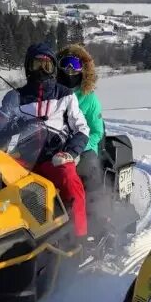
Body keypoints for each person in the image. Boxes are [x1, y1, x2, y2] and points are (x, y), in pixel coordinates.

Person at [0, 43, 91, 238]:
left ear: (54, 69)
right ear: (27, 67)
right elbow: (1, 117)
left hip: (55, 157)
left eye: (47, 66)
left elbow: (82, 129)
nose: (41, 71)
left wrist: (70, 153)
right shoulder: (17, 96)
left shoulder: (64, 95)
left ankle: (79, 236)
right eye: (37, 65)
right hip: (25, 158)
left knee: (69, 179)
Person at [56, 44, 106, 191]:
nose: (70, 69)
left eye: (75, 64)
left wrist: (78, 149)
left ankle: (96, 210)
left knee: (88, 170)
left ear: (83, 69)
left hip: (84, 147)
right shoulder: (52, 94)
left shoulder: (89, 99)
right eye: (66, 63)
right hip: (54, 145)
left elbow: (97, 132)